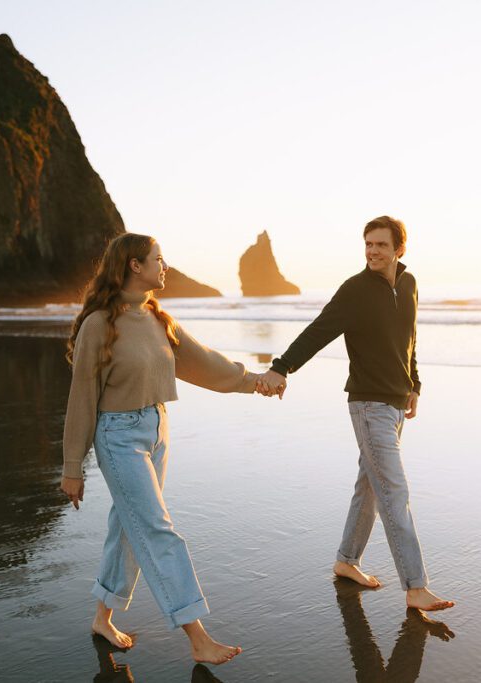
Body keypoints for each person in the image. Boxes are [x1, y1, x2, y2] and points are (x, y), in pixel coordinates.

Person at [60, 233, 261, 665]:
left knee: (129, 526)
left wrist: (255, 381)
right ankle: (197, 635)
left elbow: (204, 362)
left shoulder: (157, 318)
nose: (164, 266)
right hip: (117, 436)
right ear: (134, 266)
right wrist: (72, 466)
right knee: (157, 529)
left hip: (156, 428)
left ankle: (102, 618)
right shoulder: (100, 325)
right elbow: (81, 397)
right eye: (158, 259)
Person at [256, 216, 454, 612]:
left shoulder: (409, 285)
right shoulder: (355, 290)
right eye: (368, 244)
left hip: (396, 404)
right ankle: (415, 587)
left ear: (400, 249)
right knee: (393, 491)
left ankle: (346, 562)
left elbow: (409, 340)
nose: (373, 251)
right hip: (368, 405)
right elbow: (319, 330)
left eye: (381, 245)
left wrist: (414, 385)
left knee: (370, 486)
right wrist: (281, 366)